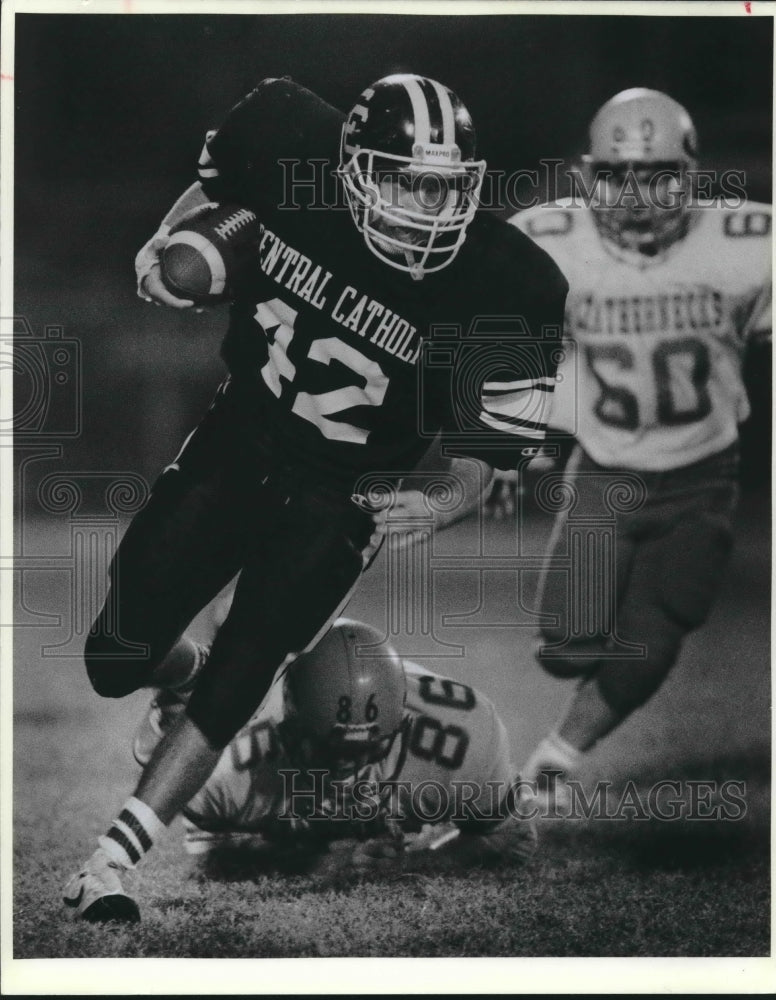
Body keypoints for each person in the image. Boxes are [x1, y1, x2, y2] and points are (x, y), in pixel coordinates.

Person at [63, 74, 567, 921]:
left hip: (345, 493)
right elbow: (213, 195)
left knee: (250, 663)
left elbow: (488, 450)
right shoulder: (287, 142)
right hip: (239, 442)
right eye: (406, 178)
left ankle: (108, 865)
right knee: (115, 656)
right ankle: (185, 673)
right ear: (353, 167)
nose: (427, 204)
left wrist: (440, 502)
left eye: (446, 185)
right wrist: (165, 244)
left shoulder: (507, 280)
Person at [499, 88, 771, 799]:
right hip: (605, 474)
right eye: (616, 175)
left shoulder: (746, 242)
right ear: (589, 175)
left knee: (654, 634)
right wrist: (524, 417)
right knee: (566, 648)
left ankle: (552, 767)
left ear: (691, 174)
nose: (636, 194)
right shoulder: (547, 238)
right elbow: (492, 337)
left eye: (657, 173)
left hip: (701, 477)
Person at [133, 620, 537, 874]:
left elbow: (511, 837)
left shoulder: (463, 736)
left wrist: (417, 861)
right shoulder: (232, 758)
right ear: (288, 726)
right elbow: (208, 856)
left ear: (402, 723)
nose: (349, 768)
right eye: (332, 751)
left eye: (368, 749)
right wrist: (314, 860)